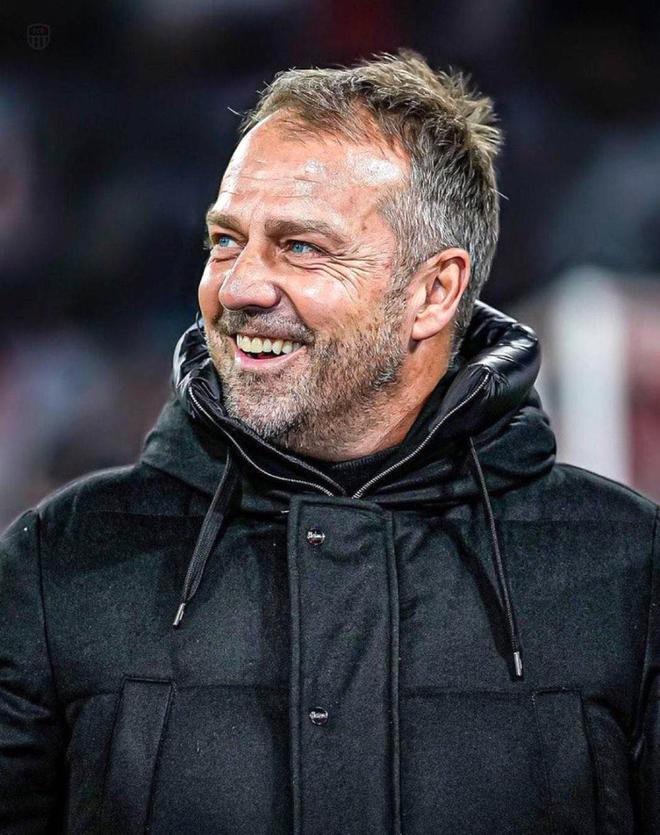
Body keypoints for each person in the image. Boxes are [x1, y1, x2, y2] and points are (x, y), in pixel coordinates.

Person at [0, 49, 658, 835]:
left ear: (434, 291)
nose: (238, 286)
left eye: (302, 247)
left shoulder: (633, 572)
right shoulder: (58, 561)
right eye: (225, 240)